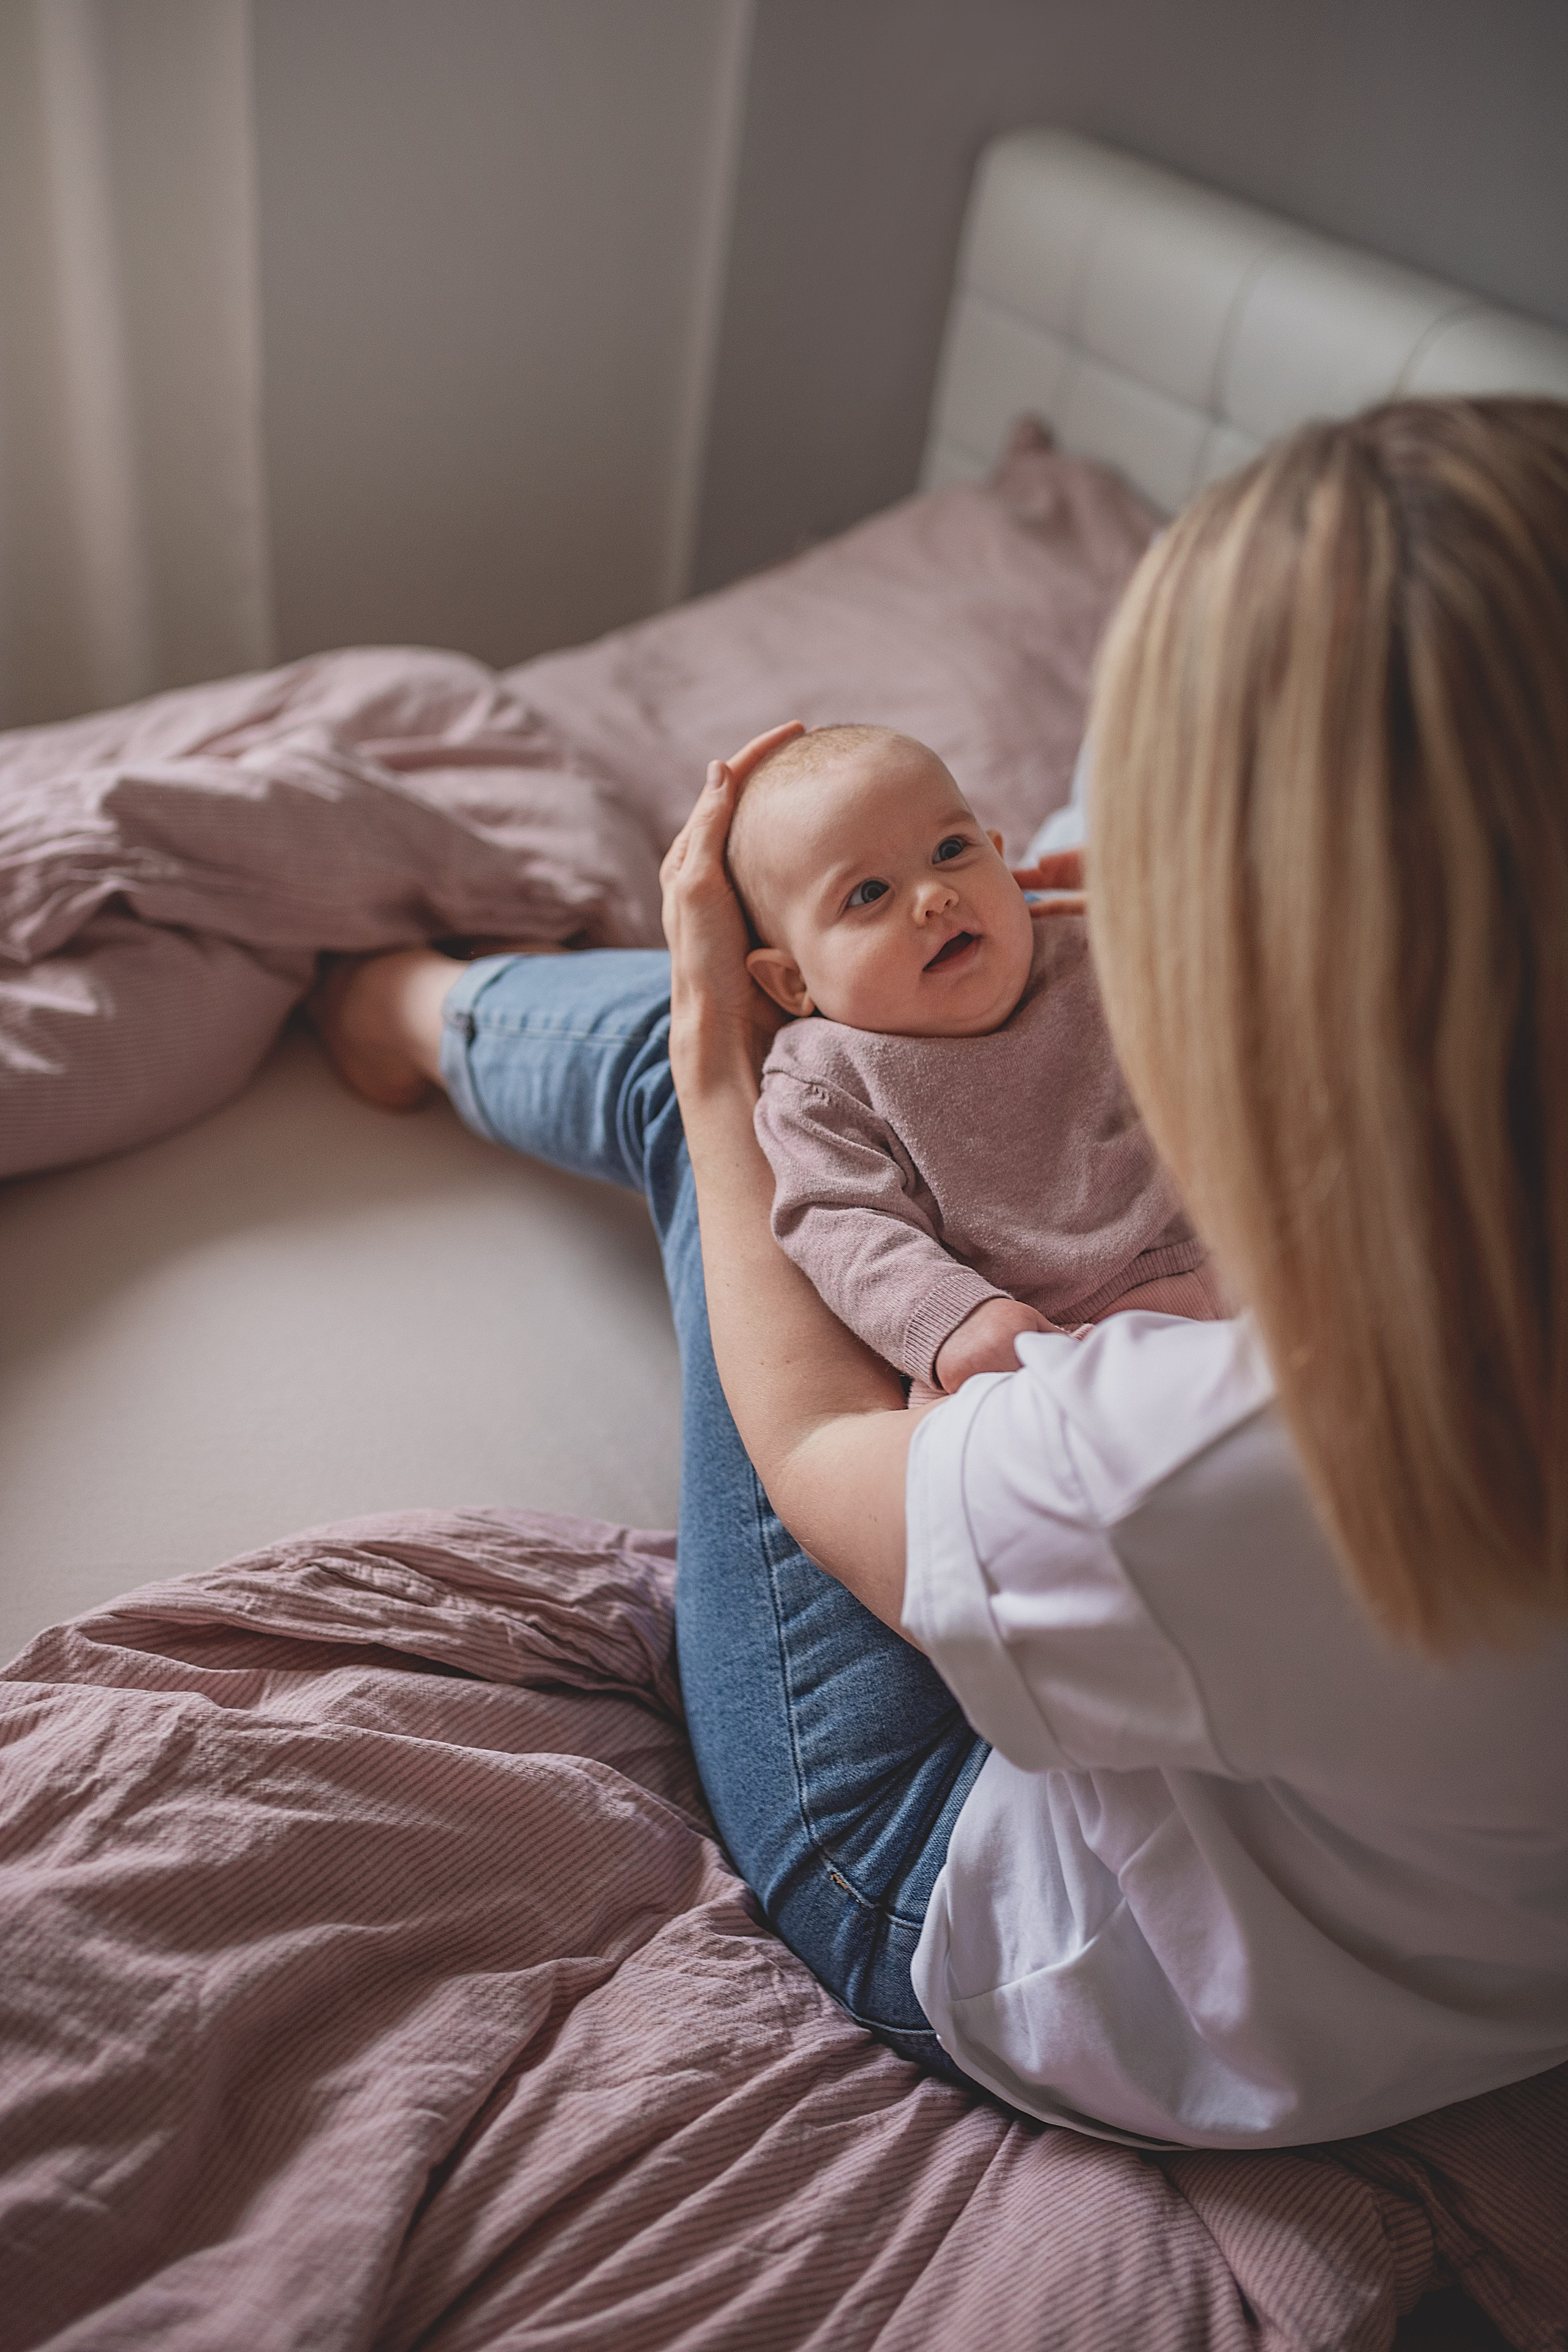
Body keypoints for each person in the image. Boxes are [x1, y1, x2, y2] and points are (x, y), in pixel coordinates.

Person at [312, 397, 1568, 2150]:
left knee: (733, 1121)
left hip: (997, 1907)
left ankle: (407, 1008)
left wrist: (710, 1044)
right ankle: (456, 1015)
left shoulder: (1210, 1448)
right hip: (1471, 1942)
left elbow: (834, 1469)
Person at [726, 720, 1219, 1403]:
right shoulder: (822, 1081)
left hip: (1237, 1273)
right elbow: (840, 1222)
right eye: (869, 894)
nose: (934, 896)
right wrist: (954, 1319)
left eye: (951, 850)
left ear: (999, 856)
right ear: (791, 982)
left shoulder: (1097, 953)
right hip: (1037, 1349)